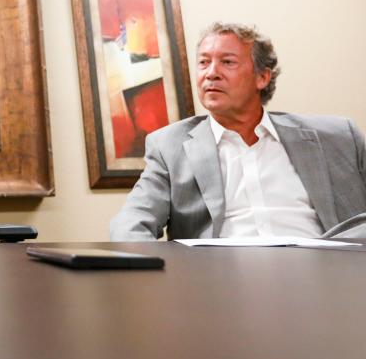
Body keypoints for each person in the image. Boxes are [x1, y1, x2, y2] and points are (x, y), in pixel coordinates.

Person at [110, 22, 366, 241]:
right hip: (221, 285)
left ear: (262, 77)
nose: (211, 74)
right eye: (203, 63)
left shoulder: (338, 137)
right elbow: (130, 224)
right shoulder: (169, 146)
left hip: (328, 277)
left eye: (227, 62)